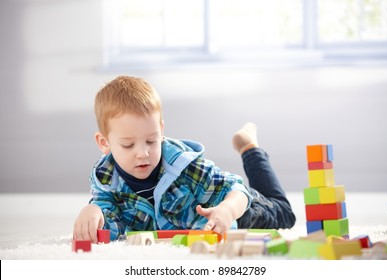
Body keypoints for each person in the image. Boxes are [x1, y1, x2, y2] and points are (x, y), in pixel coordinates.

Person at [73, 76, 296, 243]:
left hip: (237, 212)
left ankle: (250, 148)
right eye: (128, 145)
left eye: (151, 141)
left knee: (285, 214)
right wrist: (94, 211)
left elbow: (235, 188)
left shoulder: (185, 166)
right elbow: (113, 225)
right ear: (104, 143)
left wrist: (227, 210)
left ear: (161, 131)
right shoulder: (105, 178)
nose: (142, 153)